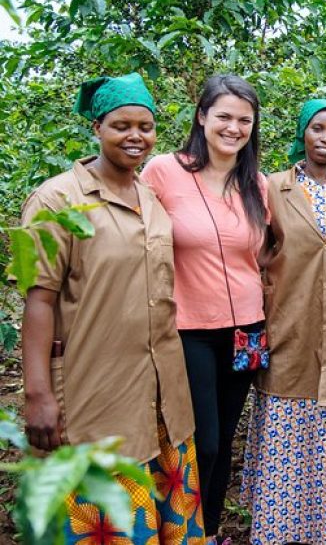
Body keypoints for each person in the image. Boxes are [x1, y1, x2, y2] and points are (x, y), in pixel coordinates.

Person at [20, 73, 203, 543]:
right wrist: (38, 394)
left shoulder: (151, 199)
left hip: (163, 391)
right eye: (122, 125)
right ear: (97, 127)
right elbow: (38, 299)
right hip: (94, 392)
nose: (135, 136)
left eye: (146, 126)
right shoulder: (55, 199)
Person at [141, 75, 268, 544]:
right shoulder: (163, 171)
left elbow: (266, 253)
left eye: (244, 120)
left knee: (226, 439)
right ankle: (180, 530)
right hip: (189, 328)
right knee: (202, 441)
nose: (233, 128)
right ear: (201, 117)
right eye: (224, 117)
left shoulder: (255, 183)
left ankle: (208, 531)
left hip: (248, 329)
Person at [240, 99, 326, 544]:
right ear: (303, 132)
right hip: (288, 321)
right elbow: (256, 250)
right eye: (318, 130)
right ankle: (279, 528)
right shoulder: (273, 186)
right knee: (285, 418)